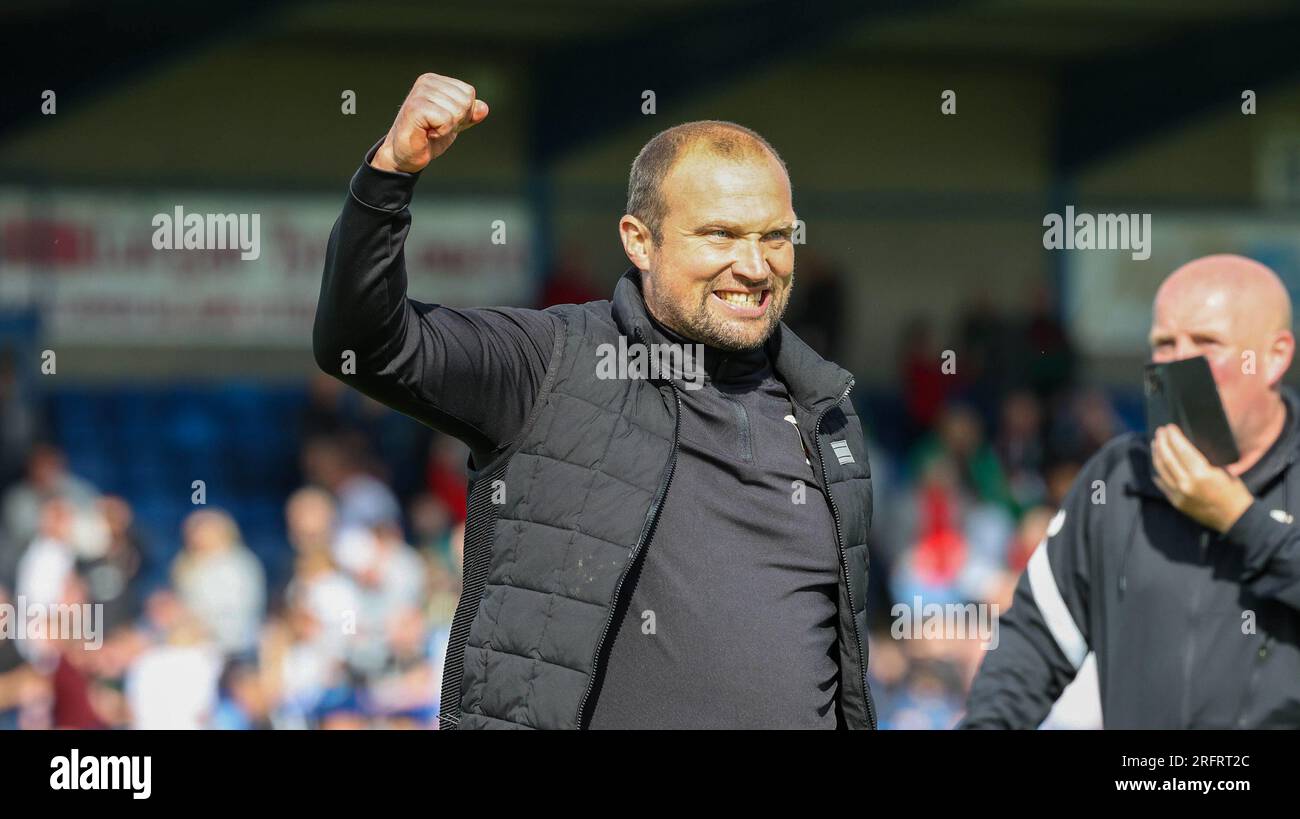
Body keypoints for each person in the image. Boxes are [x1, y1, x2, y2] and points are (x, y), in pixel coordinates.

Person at [314, 72, 876, 729]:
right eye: (720, 235)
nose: (755, 266)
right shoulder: (549, 362)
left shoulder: (826, 411)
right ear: (640, 240)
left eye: (775, 236)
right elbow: (362, 341)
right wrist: (390, 173)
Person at [961, 254, 1300, 729]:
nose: (1177, 361)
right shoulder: (1120, 476)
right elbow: (1035, 640)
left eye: (1206, 342)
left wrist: (1240, 521)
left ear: (1275, 356)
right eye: (1164, 343)